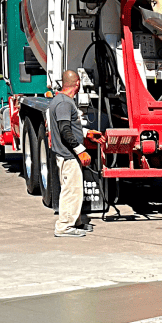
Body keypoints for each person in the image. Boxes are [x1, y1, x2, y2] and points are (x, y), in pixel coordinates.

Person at [47, 70, 106, 237]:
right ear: (78, 83)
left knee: (74, 189)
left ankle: (75, 222)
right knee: (71, 190)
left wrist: (87, 133)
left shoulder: (60, 101)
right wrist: (81, 151)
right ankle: (64, 226)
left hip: (67, 154)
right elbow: (65, 131)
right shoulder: (65, 103)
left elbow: (70, 127)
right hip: (69, 155)